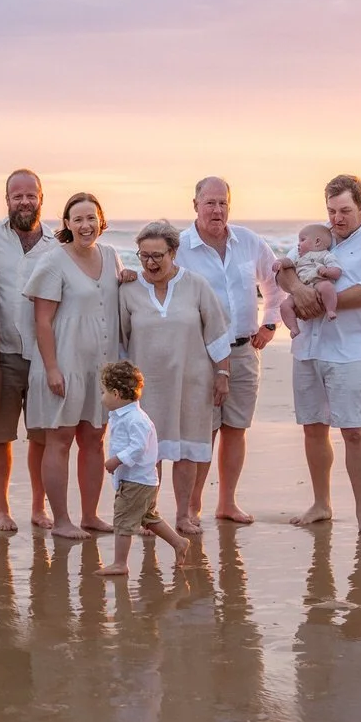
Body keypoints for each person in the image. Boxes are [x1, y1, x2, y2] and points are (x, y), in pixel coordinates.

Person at [273, 174, 361, 538]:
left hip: (351, 350)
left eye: (345, 210)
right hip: (308, 348)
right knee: (313, 428)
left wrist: (319, 302)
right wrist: (299, 291)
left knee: (355, 432)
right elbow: (285, 273)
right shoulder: (318, 236)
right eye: (331, 210)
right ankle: (321, 504)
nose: (337, 218)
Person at [176, 176, 280, 526]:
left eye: (222, 203)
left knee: (236, 428)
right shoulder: (180, 247)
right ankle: (191, 507)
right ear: (195, 205)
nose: (216, 210)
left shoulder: (248, 242)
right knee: (203, 430)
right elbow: (158, 286)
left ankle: (227, 503)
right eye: (209, 203)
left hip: (243, 349)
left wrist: (270, 322)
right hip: (200, 354)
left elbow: (274, 281)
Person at [23, 192, 128, 540]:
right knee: (61, 438)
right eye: (78, 219)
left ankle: (90, 515)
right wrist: (52, 369)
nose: (86, 225)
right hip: (64, 363)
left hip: (100, 366)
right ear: (66, 224)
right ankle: (62, 520)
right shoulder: (54, 261)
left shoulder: (112, 256)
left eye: (91, 218)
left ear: (101, 220)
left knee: (95, 438)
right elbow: (42, 322)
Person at [119, 219, 232, 536]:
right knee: (146, 455)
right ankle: (147, 516)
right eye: (144, 256)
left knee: (185, 452)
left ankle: (184, 515)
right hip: (145, 388)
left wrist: (222, 373)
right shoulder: (128, 290)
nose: (151, 263)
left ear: (173, 253)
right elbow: (120, 341)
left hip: (191, 383)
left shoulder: (196, 285)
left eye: (158, 255)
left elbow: (217, 335)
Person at [0, 168, 59, 531]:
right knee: (1, 436)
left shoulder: (59, 243)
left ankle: (39, 508)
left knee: (40, 436)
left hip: (45, 357)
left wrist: (127, 276)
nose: (24, 201)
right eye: (16, 196)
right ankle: (2, 510)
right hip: (4, 354)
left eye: (30, 195)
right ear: (6, 200)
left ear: (41, 198)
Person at [96, 360, 190, 575]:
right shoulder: (124, 416)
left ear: (116, 394)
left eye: (104, 392)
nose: (102, 398)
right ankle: (178, 542)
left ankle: (120, 563)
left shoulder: (136, 419)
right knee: (149, 517)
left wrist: (116, 460)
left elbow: (137, 447)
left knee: (123, 520)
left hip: (136, 480)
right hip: (140, 479)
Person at [275, 223, 342, 335]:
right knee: (284, 306)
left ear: (317, 242)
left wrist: (327, 271)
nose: (298, 243)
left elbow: (337, 272)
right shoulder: (298, 255)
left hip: (318, 282)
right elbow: (288, 263)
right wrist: (280, 262)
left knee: (327, 287)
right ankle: (293, 327)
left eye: (302, 240)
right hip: (301, 286)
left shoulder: (325, 255)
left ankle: (330, 310)